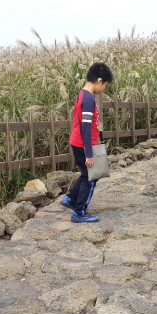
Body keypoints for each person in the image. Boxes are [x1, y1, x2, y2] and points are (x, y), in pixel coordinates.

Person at [60, 62, 113, 222]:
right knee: (91, 177)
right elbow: (86, 127)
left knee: (85, 174)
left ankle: (70, 199)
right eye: (105, 85)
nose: (104, 88)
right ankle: (80, 212)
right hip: (84, 144)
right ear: (99, 80)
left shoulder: (83, 95)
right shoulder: (88, 99)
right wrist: (89, 154)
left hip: (79, 142)